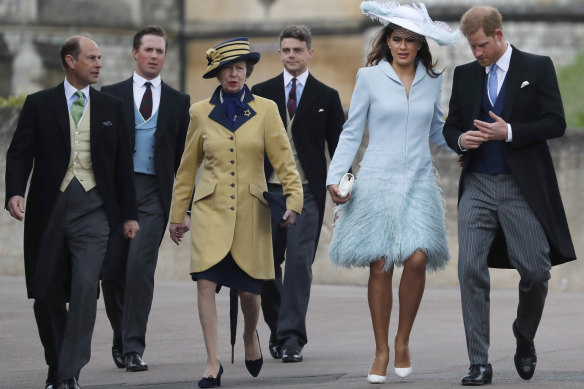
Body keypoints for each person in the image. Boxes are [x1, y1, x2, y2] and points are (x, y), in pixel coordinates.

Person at [326, 1, 459, 384]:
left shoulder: (432, 81)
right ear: (387, 40)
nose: (402, 46)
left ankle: (403, 340)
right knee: (381, 264)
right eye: (397, 38)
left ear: (421, 45)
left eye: (410, 40)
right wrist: (336, 178)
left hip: (418, 179)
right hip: (377, 180)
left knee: (417, 259)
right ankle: (381, 349)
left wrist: (464, 143)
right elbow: (352, 132)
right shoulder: (368, 78)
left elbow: (437, 131)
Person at [443, 6, 576, 386]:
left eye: (482, 45)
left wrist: (511, 132)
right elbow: (452, 125)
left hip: (522, 188)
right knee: (469, 268)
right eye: (471, 46)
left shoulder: (537, 67)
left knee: (536, 271)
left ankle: (524, 335)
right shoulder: (466, 75)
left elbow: (556, 122)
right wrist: (460, 139)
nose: (477, 53)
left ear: (498, 34)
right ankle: (479, 362)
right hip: (478, 185)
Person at [4, 35, 139, 389]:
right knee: (46, 293)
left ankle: (68, 373)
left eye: (99, 58)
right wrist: (15, 192)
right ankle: (57, 365)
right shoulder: (39, 104)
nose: (98, 64)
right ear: (70, 61)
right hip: (49, 211)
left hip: (95, 211)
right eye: (91, 58)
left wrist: (129, 215)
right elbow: (19, 153)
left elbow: (124, 166)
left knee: (83, 288)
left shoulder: (111, 107)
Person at [168, 37, 303, 388]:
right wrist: (177, 213)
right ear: (218, 73)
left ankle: (249, 335)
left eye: (240, 67)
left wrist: (293, 199)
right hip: (210, 210)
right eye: (227, 68)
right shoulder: (199, 112)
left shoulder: (267, 109)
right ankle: (212, 362)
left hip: (251, 210)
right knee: (205, 283)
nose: (234, 73)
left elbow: (284, 161)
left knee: (249, 293)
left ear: (248, 71)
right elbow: (187, 169)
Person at [250, 24, 345, 363]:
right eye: (286, 50)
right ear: (280, 53)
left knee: (299, 265)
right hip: (267, 193)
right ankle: (278, 327)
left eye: (297, 49)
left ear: (310, 53)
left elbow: (340, 148)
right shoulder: (259, 93)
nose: (291, 55)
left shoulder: (327, 96)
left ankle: (291, 338)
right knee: (264, 266)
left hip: (307, 193)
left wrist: (345, 188)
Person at [100, 25, 191, 372]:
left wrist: (181, 209)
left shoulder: (179, 101)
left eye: (160, 51)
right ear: (135, 53)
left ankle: (134, 346)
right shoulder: (110, 95)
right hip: (118, 194)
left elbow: (185, 160)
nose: (154, 56)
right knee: (111, 273)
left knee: (139, 268)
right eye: (148, 50)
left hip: (155, 194)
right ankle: (121, 336)